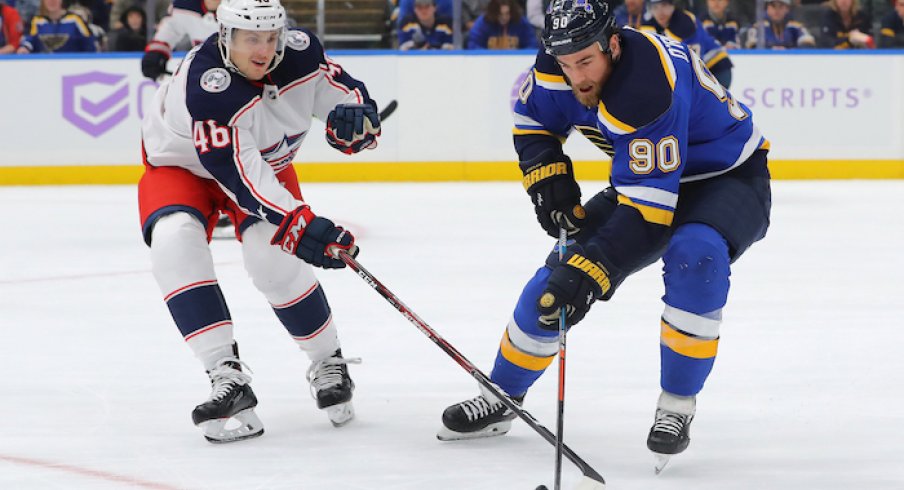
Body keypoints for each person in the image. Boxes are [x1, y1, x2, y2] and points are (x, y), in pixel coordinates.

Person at [439, 0, 771, 472]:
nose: (577, 76)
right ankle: (502, 394)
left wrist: (593, 274)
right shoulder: (557, 63)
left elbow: (647, 216)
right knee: (556, 279)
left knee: (695, 256)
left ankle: (676, 405)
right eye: (567, 64)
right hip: (646, 182)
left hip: (726, 178)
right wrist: (546, 174)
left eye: (586, 62)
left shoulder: (647, 85)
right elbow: (532, 121)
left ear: (612, 44)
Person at [139, 0, 382, 443]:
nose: (264, 49)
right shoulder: (207, 83)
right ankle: (224, 374)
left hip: (263, 166)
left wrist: (356, 121)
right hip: (182, 167)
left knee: (271, 260)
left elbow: (345, 94)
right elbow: (240, 175)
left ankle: (329, 362)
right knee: (174, 241)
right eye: (252, 39)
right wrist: (301, 224)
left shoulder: (301, 51)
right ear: (225, 36)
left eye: (271, 37)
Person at [641, 0, 732, 88]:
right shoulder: (649, 22)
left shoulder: (685, 22)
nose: (660, 12)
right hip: (699, 72)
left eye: (664, 5)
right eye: (655, 7)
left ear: (672, 5)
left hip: (717, 69)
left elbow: (693, 61)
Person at [141, 0, 220, 80]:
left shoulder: (232, 9)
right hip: (206, 70)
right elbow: (172, 27)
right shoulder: (184, 5)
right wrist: (156, 52)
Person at [16, 0, 98, 53]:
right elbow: (29, 40)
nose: (52, 1)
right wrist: (25, 48)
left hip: (72, 66)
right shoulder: (36, 21)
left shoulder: (75, 20)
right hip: (43, 67)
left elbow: (89, 43)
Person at [467, 0, 538, 49]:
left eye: (507, 14)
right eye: (501, 14)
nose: (504, 18)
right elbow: (474, 45)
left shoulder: (520, 22)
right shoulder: (483, 22)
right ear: (494, 13)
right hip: (488, 62)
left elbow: (532, 44)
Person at [745, 0, 815, 50]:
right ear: (767, 9)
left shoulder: (796, 27)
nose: (777, 10)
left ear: (787, 9)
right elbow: (752, 47)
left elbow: (808, 44)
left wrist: (788, 50)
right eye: (773, 6)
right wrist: (772, 49)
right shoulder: (758, 27)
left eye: (781, 6)